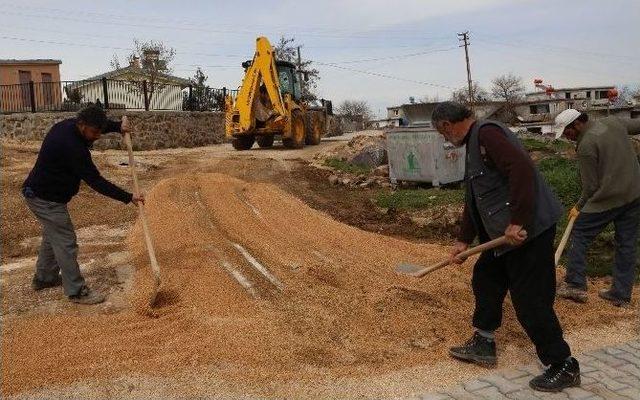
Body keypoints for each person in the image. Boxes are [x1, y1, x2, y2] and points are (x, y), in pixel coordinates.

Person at [431, 102, 579, 392]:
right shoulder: (474, 145)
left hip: (527, 232)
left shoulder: (487, 134)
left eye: (441, 133)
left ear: (447, 125)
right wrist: (464, 239)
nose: (444, 138)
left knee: (530, 300)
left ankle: (563, 364)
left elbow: (522, 170)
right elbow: (474, 200)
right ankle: (484, 341)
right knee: (486, 278)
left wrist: (518, 221)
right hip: (504, 236)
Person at [22, 105, 144, 305]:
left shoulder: (71, 125)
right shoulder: (73, 147)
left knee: (52, 236)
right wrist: (128, 196)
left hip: (43, 194)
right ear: (82, 125)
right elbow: (96, 181)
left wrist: (117, 127)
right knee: (66, 241)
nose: (97, 136)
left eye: (99, 131)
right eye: (94, 132)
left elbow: (98, 126)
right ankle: (77, 291)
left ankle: (44, 278)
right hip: (45, 199)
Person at [554, 109, 640, 307]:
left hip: (608, 198)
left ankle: (575, 285)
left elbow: (591, 186)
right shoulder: (613, 122)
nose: (567, 137)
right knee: (626, 244)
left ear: (576, 124)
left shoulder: (586, 146)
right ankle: (621, 295)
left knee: (580, 232)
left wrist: (579, 206)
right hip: (634, 194)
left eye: (567, 132)